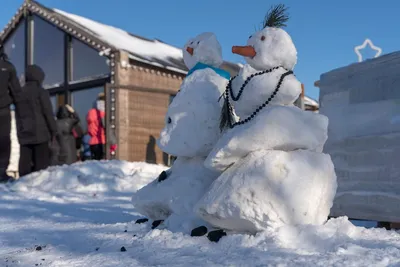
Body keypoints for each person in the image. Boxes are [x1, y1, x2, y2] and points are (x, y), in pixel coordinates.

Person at [18, 64, 57, 177]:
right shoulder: (41, 92)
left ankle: (22, 185)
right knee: (41, 165)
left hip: (24, 132)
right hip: (40, 132)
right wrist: (53, 130)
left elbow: (17, 114)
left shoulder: (19, 93)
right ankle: (40, 187)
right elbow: (47, 112)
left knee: (24, 163)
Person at [0, 47, 25, 181]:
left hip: (3, 109)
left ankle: (2, 170)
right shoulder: (7, 67)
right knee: (4, 140)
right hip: (3, 109)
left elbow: (16, 91)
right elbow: (16, 91)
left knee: (4, 140)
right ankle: (2, 171)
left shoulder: (7, 67)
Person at [87, 93, 106, 160]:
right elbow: (105, 126)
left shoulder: (90, 112)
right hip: (102, 141)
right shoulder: (102, 113)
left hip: (92, 142)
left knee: (95, 165)